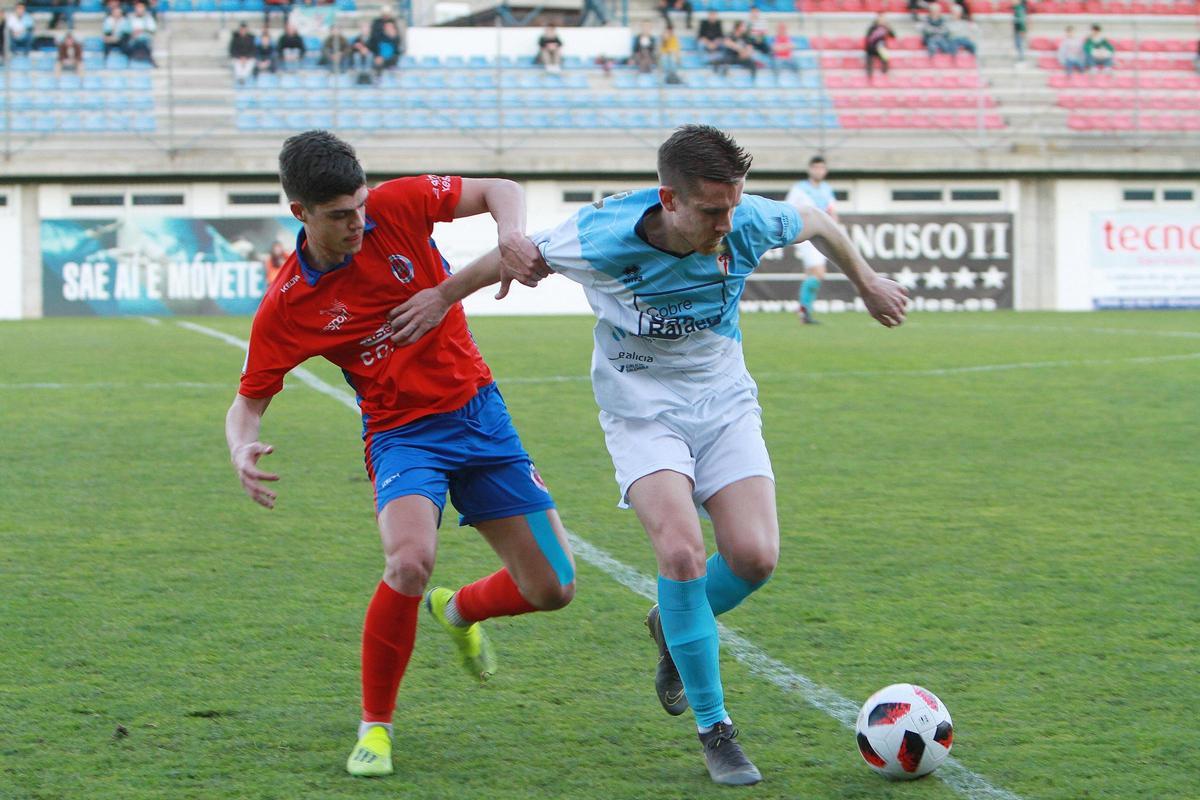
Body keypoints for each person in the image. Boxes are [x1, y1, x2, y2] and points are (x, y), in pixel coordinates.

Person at [385, 124, 907, 787]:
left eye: (733, 206)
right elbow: (514, 255)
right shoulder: (601, 234)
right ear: (668, 199)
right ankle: (716, 729)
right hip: (641, 408)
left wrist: (864, 283)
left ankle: (672, 619)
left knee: (754, 557)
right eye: (712, 211)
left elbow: (816, 223)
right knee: (682, 553)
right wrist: (440, 296)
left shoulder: (746, 219)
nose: (726, 223)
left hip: (723, 401)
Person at [226, 130, 577, 779]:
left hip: (481, 417)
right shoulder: (287, 305)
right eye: (339, 215)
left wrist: (510, 233)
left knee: (556, 585)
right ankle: (376, 728)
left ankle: (461, 608)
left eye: (359, 205)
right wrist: (242, 446)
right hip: (401, 436)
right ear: (301, 215)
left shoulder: (397, 204)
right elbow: (247, 403)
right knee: (409, 559)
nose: (358, 222)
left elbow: (503, 189)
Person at [785, 155, 838, 325]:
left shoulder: (826, 189)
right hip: (807, 235)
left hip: (822, 235)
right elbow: (789, 208)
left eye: (821, 168)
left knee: (812, 274)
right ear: (810, 169)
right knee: (818, 272)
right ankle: (804, 310)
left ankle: (804, 311)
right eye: (816, 167)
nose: (818, 171)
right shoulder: (800, 189)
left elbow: (832, 212)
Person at [864, 11, 893, 78]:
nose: (882, 20)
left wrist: (889, 28)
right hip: (872, 48)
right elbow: (868, 38)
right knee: (869, 57)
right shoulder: (872, 27)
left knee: (885, 56)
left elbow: (893, 36)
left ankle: (885, 73)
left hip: (881, 48)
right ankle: (869, 75)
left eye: (883, 18)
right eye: (880, 18)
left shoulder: (886, 27)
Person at [126, 0, 155, 65]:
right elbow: (126, 29)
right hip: (133, 40)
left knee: (143, 43)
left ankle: (146, 58)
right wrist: (133, 33)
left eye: (141, 7)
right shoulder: (130, 17)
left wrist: (141, 30)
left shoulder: (148, 18)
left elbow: (152, 29)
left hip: (145, 39)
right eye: (138, 7)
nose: (140, 9)